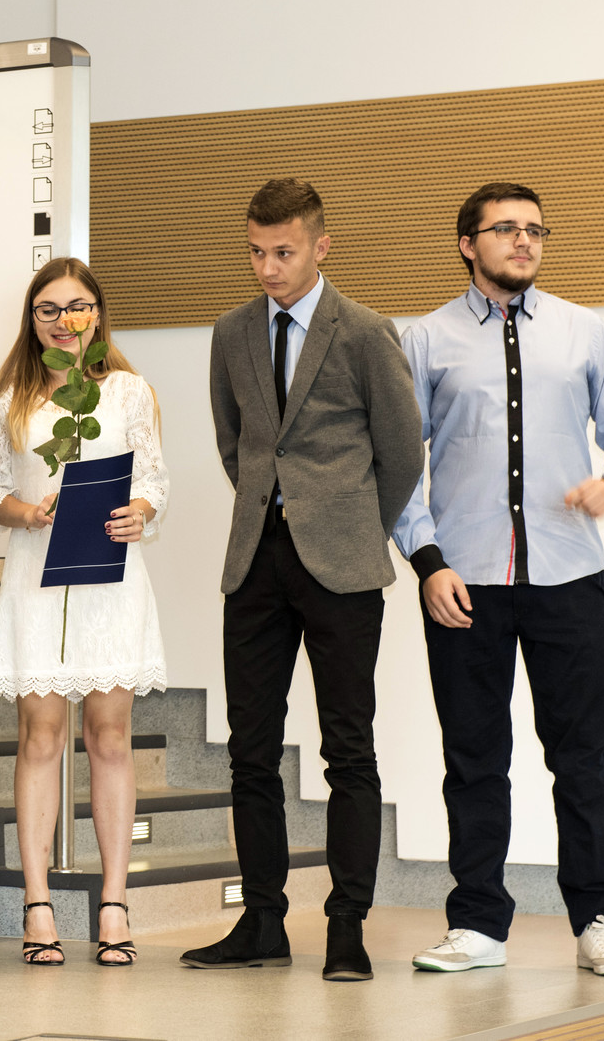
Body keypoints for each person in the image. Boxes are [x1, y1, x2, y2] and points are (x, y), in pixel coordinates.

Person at [395, 183, 604, 977]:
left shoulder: (584, 331)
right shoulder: (425, 339)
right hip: (465, 582)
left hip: (569, 576)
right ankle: (477, 924)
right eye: (506, 228)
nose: (524, 241)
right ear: (467, 243)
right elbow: (398, 465)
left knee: (584, 757)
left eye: (535, 230)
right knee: (474, 759)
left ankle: (601, 921)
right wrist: (427, 561)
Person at [183, 179, 423, 981]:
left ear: (321, 246)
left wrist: (351, 521)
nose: (267, 267)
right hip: (255, 558)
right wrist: (271, 504)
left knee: (348, 748)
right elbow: (236, 443)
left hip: (342, 565)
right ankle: (262, 922)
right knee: (250, 751)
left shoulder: (365, 332)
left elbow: (402, 452)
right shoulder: (231, 332)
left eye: (282, 252)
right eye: (256, 252)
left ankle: (347, 925)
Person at [0, 257, 168, 967]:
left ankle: (114, 903)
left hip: (111, 582)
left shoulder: (128, 391)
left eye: (78, 306)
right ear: (33, 320)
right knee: (40, 738)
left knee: (111, 738)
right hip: (37, 581)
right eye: (49, 309)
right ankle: (38, 904)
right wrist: (28, 513)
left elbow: (153, 480)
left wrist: (139, 511)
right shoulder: (10, 400)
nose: (65, 320)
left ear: (98, 313)